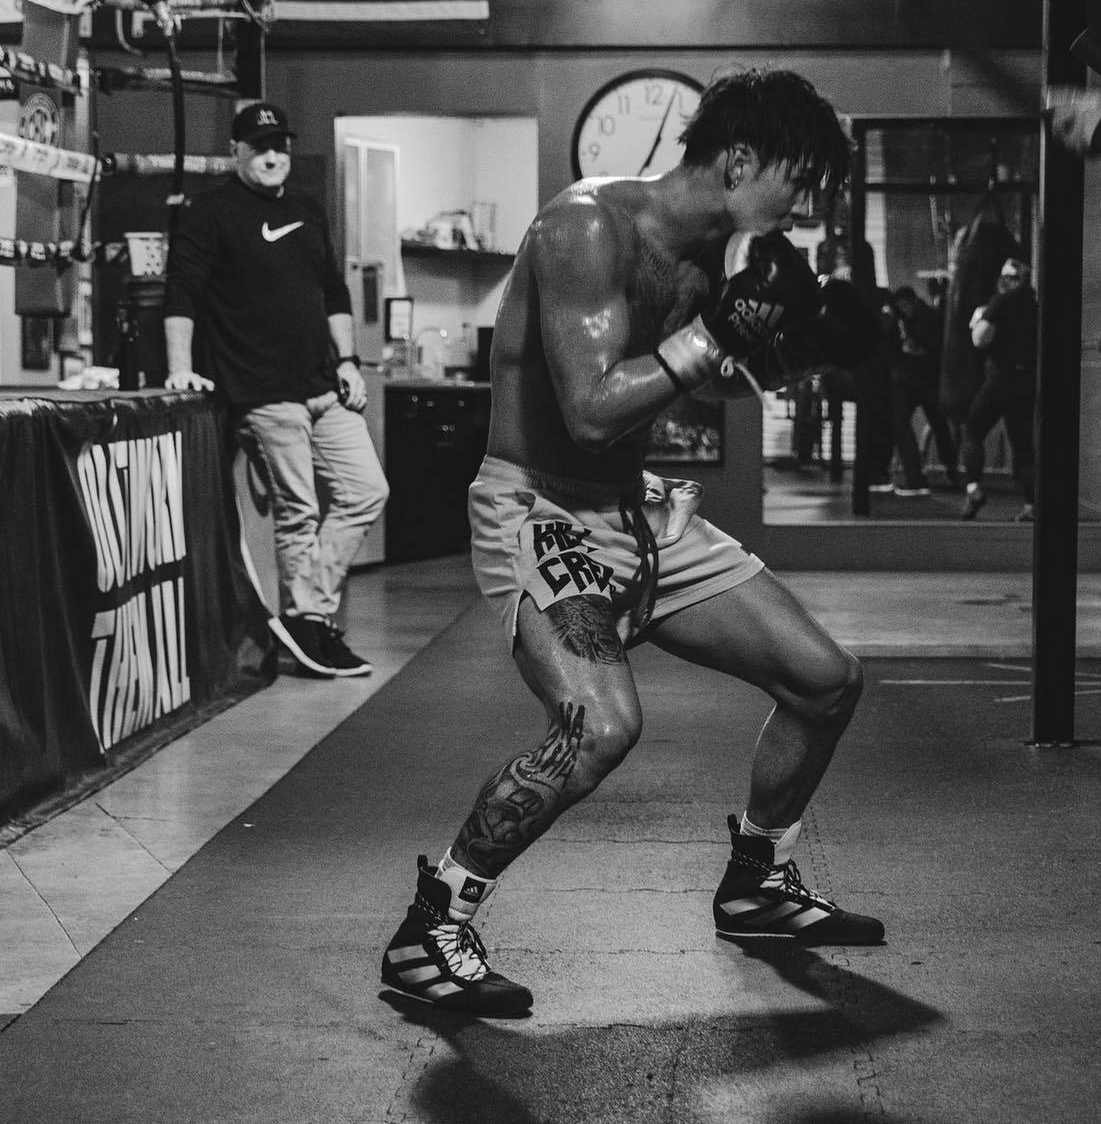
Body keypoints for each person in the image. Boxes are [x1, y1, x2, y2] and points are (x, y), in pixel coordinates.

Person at [379, 68, 884, 1016]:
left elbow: (699, 380)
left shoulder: (710, 256)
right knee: (599, 726)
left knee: (826, 680)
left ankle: (758, 882)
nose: (807, 205)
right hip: (543, 512)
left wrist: (799, 344)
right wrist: (718, 333)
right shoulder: (585, 229)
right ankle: (429, 928)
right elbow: (592, 412)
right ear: (739, 161)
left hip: (641, 517)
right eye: (801, 179)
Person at [162, 101, 389, 680]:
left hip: (322, 383)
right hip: (262, 390)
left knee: (367, 490)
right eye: (260, 147)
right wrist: (180, 367)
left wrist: (349, 361)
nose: (272, 157)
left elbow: (334, 294)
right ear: (237, 152)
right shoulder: (211, 212)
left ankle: (306, 613)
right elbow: (181, 293)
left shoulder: (308, 209)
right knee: (299, 510)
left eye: (280, 147)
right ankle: (310, 620)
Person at [958, 258, 1037, 521]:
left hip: (1000, 379)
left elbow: (980, 339)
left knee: (972, 429)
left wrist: (980, 319)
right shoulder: (1034, 305)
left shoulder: (1001, 301)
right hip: (1027, 381)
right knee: (1023, 446)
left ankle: (974, 489)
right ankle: (1032, 506)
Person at [887, 284, 959, 496]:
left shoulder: (921, 318)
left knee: (930, 425)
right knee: (931, 426)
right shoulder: (911, 318)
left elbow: (933, 346)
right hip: (920, 380)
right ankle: (948, 470)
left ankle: (935, 470)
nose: (904, 309)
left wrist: (917, 349)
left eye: (905, 306)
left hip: (920, 380)